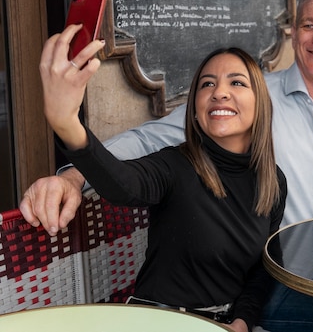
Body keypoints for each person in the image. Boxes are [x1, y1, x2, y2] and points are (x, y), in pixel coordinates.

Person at [22, 0, 313, 332]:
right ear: (294, 35)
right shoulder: (248, 95)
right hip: (278, 283)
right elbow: (148, 141)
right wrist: (74, 178)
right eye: (308, 25)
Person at [40, 35, 287, 332]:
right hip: (161, 322)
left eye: (236, 83)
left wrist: (243, 320)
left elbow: (264, 267)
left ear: (260, 103)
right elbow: (122, 184)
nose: (219, 92)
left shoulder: (273, 181)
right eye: (207, 84)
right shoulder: (175, 166)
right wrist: (67, 124)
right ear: (194, 110)